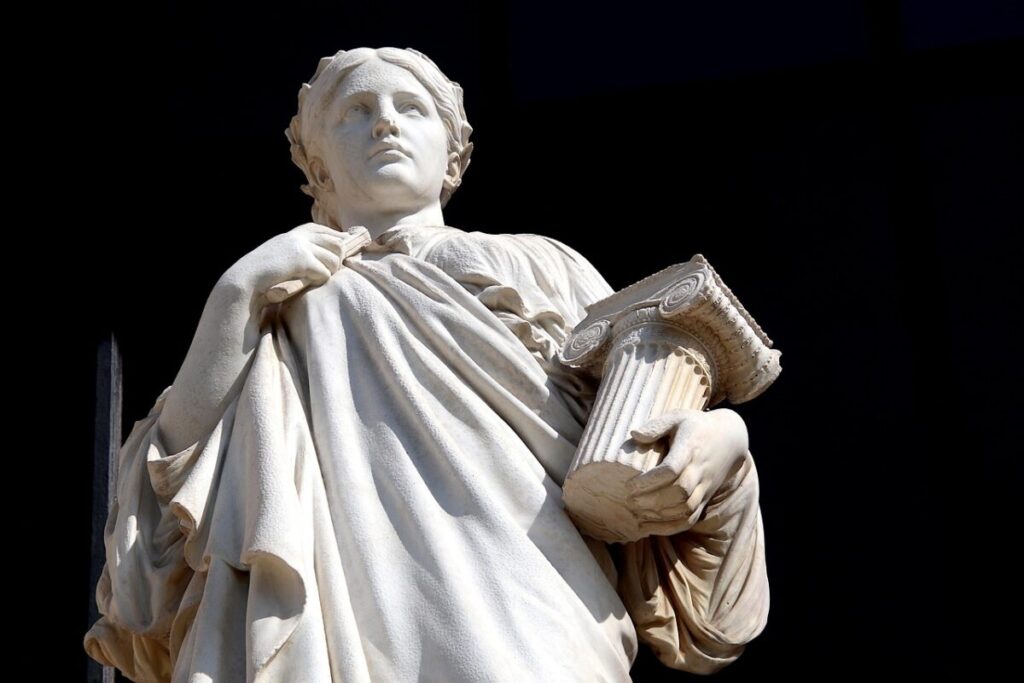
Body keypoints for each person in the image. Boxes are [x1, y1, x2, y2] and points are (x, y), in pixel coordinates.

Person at [84, 47, 769, 682]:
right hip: (334, 634)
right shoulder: (279, 302)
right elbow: (164, 514)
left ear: (452, 154)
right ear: (318, 168)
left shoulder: (545, 266)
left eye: (410, 108)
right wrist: (234, 298)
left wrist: (724, 444)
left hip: (535, 619)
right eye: (356, 111)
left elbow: (636, 449)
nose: (384, 122)